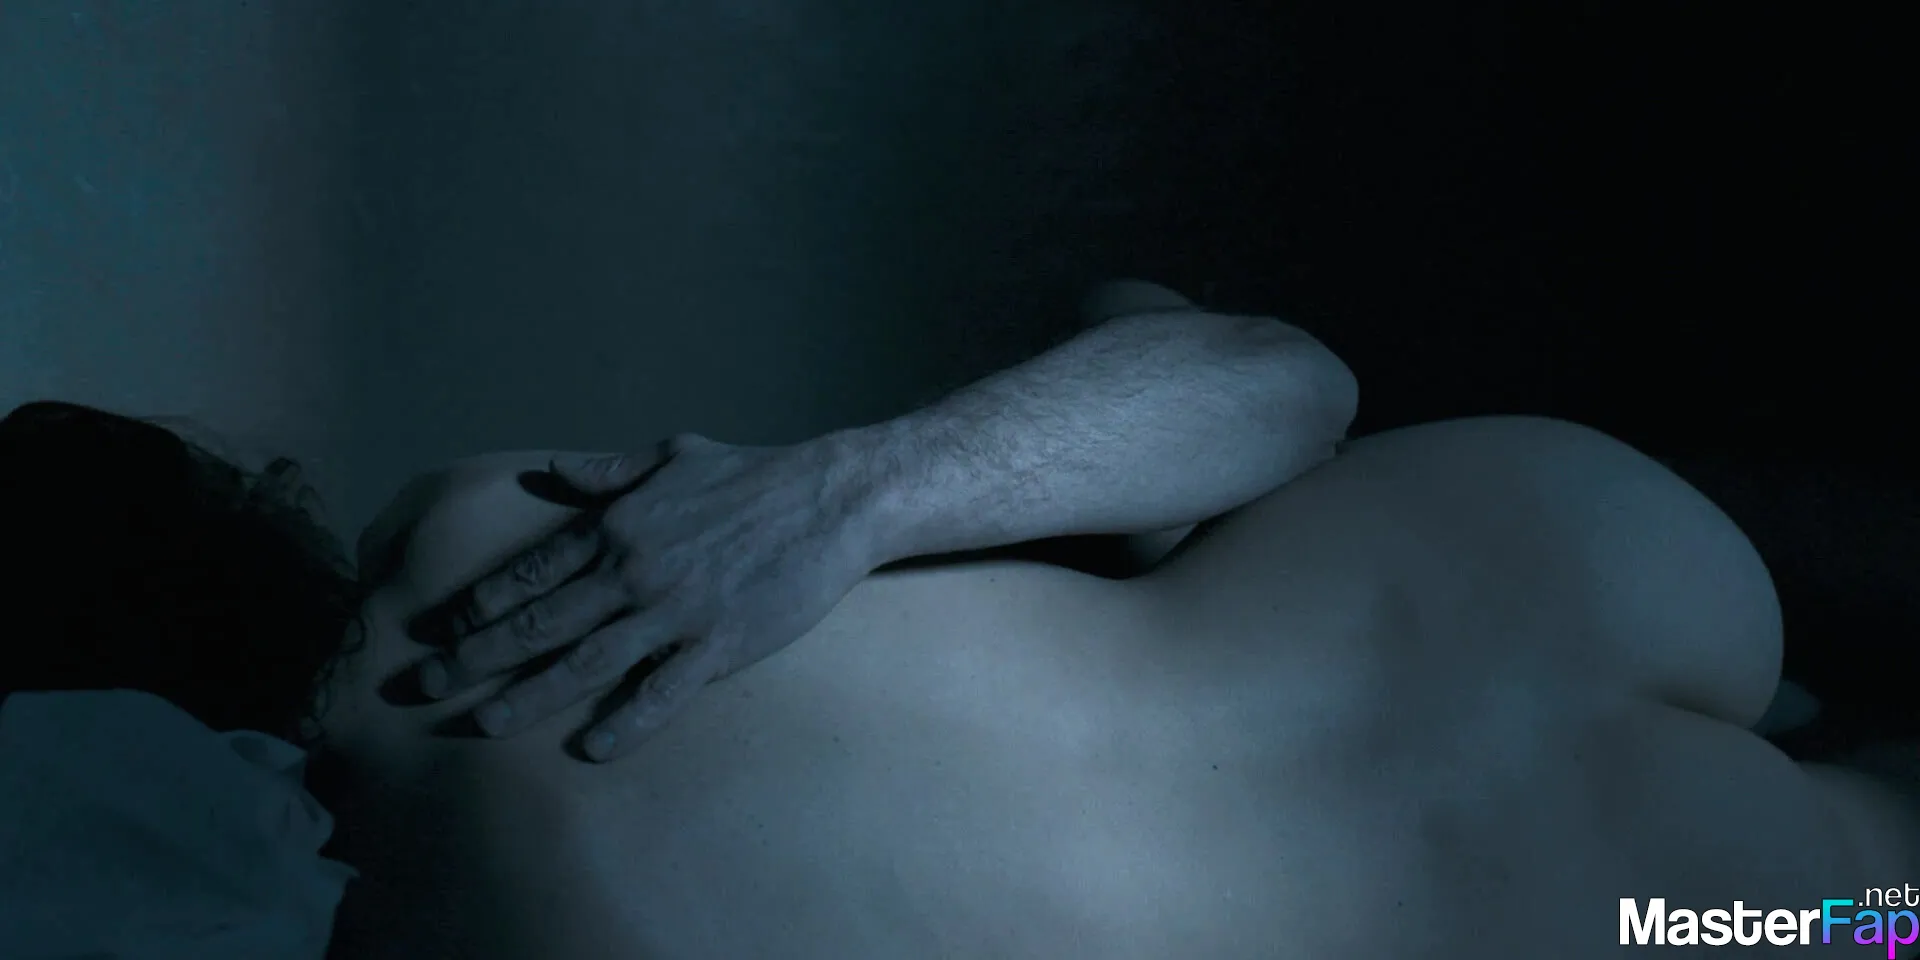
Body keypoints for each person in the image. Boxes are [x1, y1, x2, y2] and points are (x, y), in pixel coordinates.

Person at [5, 283, 1916, 958]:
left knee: (1856, 889)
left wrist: (854, 495)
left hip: (1700, 908)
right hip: (1556, 545)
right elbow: (1290, 383)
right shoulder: (472, 541)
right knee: (1149, 341)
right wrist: (858, 488)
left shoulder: (420, 902)